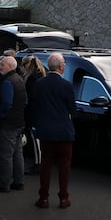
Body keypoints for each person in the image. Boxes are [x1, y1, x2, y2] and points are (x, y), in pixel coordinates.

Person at [32, 53, 75, 209]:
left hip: (46, 130)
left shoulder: (39, 84)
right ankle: (63, 197)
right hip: (64, 131)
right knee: (64, 166)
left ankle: (43, 197)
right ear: (61, 67)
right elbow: (72, 109)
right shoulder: (67, 86)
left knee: (46, 165)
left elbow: (34, 106)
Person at [0, 56, 27, 193]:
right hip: (19, 121)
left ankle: (5, 183)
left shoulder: (7, 82)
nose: (0, 66)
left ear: (11, 66)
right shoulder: (19, 79)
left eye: (3, 65)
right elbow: (25, 101)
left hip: (8, 123)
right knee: (18, 153)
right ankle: (19, 181)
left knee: (6, 154)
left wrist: (1, 116)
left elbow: (6, 103)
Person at [22, 55, 46, 174]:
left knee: (36, 140)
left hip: (33, 113)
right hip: (42, 112)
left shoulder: (31, 79)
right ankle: (40, 162)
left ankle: (38, 163)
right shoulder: (42, 76)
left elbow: (30, 98)